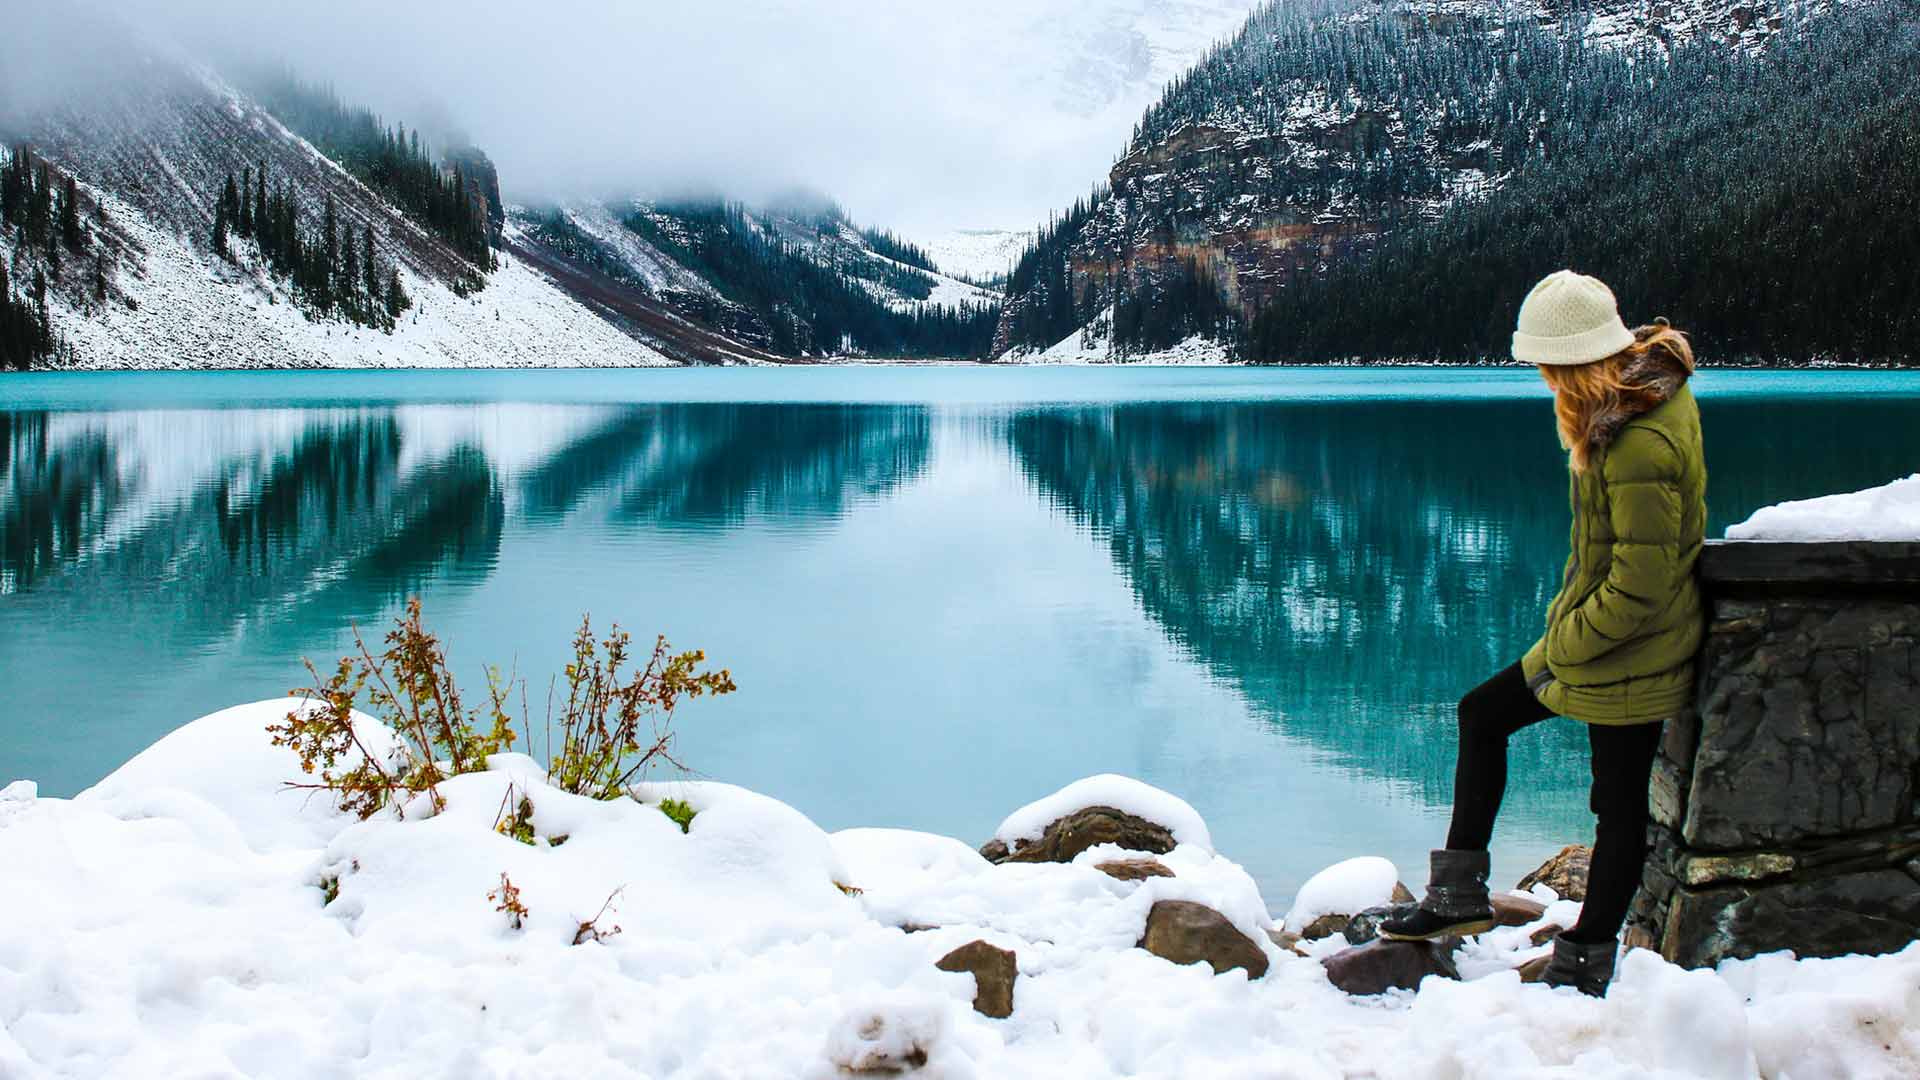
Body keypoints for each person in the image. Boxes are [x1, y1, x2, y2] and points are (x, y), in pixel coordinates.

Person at [1379, 270, 1707, 997]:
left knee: (1617, 805)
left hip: (1636, 647)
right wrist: (1568, 630)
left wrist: (1566, 643)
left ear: (1576, 360)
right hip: (1599, 635)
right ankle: (1458, 895)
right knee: (1482, 713)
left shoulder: (1641, 441)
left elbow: (1643, 583)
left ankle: (1584, 960)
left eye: (1546, 365)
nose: (1541, 378)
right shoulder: (1625, 407)